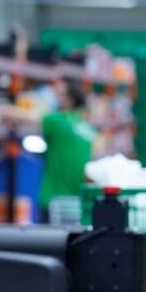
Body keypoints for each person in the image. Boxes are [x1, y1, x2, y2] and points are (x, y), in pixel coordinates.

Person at [38, 78, 98, 222]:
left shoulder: (58, 122)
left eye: (59, 95)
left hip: (54, 199)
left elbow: (34, 118)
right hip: (77, 200)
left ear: (69, 100)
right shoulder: (88, 129)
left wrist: (5, 110)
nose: (56, 98)